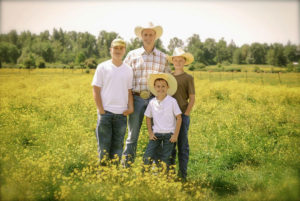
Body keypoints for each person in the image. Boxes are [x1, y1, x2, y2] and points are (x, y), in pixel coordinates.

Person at [122, 22, 171, 167]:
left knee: (158, 133)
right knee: (133, 135)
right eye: (145, 34)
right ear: (141, 36)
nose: (148, 37)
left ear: (155, 37)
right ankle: (127, 166)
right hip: (136, 98)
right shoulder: (132, 55)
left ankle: (156, 168)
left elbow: (168, 80)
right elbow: (124, 77)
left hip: (155, 100)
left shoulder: (163, 57)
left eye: (151, 34)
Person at [91, 38, 134, 166]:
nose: (118, 51)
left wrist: (130, 108)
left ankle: (113, 175)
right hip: (106, 114)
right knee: (104, 147)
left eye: (121, 48)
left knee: (117, 148)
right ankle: (103, 175)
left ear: (124, 51)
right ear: (110, 50)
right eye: (115, 48)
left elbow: (129, 91)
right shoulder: (102, 67)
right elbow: (96, 89)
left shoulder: (128, 69)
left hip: (122, 115)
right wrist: (101, 110)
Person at [143, 73, 182, 171]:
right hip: (156, 134)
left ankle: (165, 179)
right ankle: (143, 179)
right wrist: (150, 133)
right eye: (158, 86)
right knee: (147, 157)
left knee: (165, 159)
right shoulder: (152, 102)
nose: (161, 89)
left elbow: (179, 118)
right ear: (154, 88)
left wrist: (175, 135)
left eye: (163, 86)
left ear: (168, 87)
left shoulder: (172, 101)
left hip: (169, 135)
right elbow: (148, 117)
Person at [168, 47, 195, 181]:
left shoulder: (188, 78)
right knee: (170, 145)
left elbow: (192, 98)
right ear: (173, 61)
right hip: (169, 117)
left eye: (181, 60)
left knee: (182, 145)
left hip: (183, 116)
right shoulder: (168, 77)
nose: (178, 62)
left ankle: (182, 175)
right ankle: (170, 174)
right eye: (176, 60)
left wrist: (186, 114)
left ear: (185, 62)